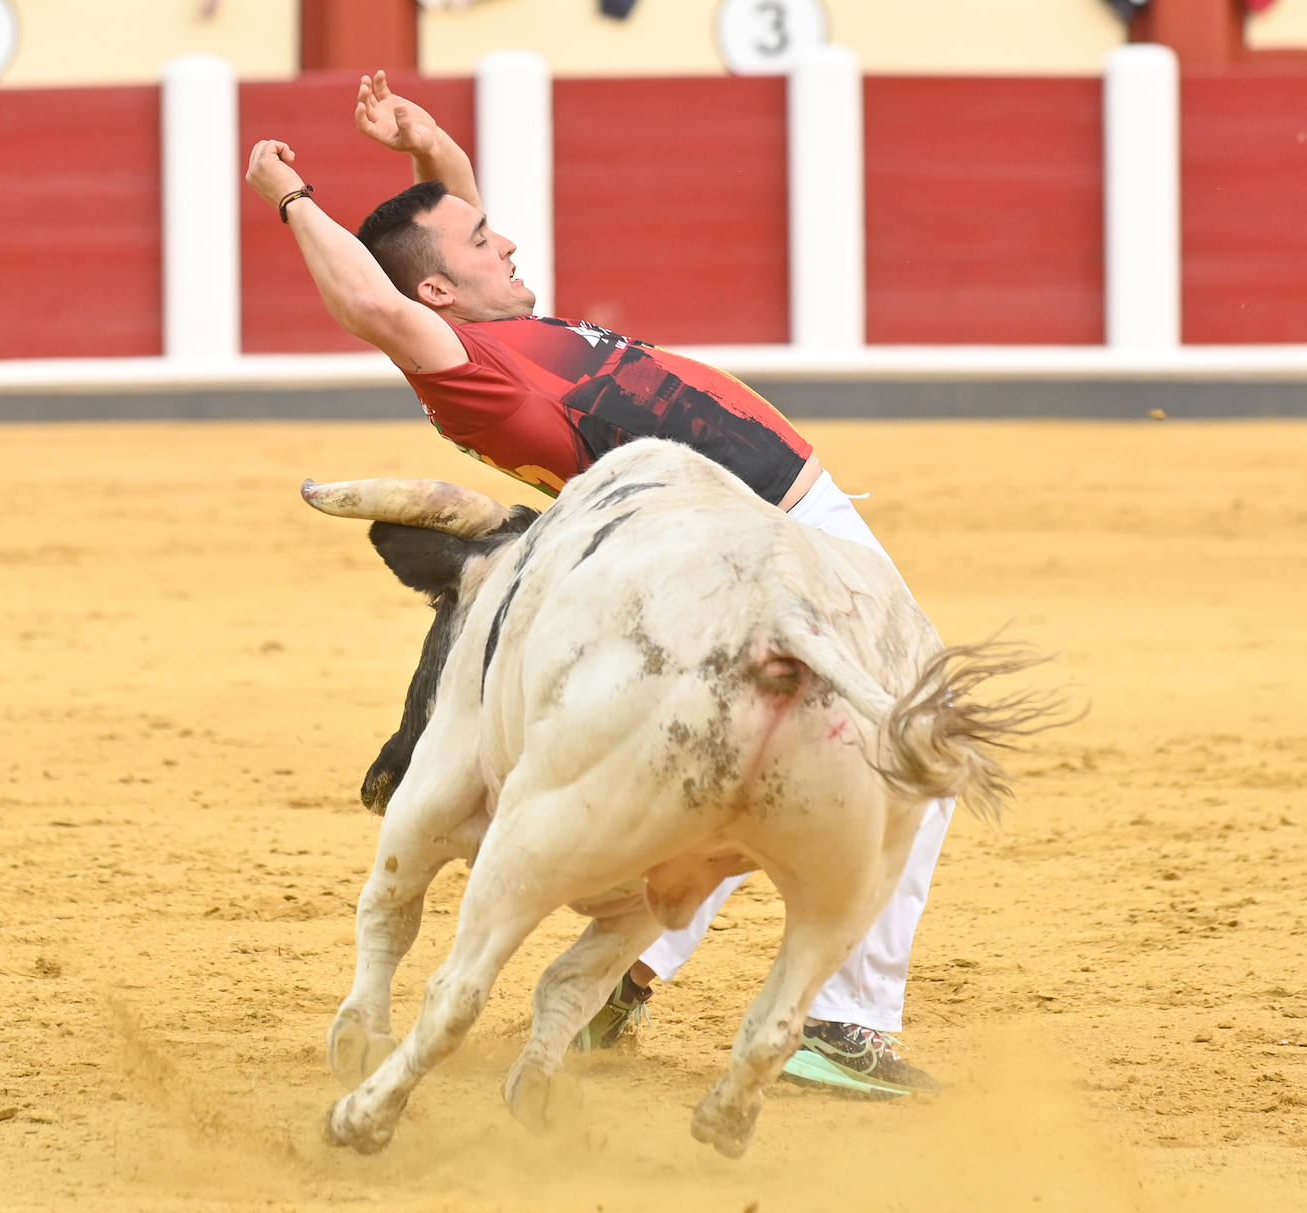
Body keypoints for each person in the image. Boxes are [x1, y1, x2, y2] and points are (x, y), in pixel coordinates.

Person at [245, 70, 952, 1098]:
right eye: (486, 247)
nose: (510, 245)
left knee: (734, 756)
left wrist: (424, 142)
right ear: (439, 292)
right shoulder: (464, 365)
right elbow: (369, 295)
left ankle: (633, 973)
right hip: (774, 533)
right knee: (910, 737)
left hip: (752, 525)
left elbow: (435, 238)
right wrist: (290, 196)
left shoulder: (489, 333)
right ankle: (843, 1022)